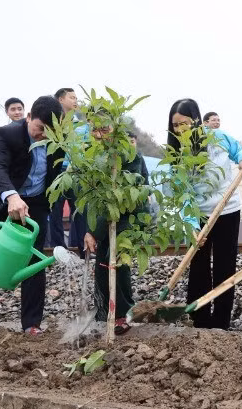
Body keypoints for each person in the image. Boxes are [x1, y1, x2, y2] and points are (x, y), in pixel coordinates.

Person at [0, 96, 65, 337]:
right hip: (4, 200)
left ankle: (31, 324)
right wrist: (12, 196)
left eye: (50, 132)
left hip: (36, 203)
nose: (43, 136)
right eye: (39, 129)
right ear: (28, 118)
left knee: (34, 262)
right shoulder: (7, 134)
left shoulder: (59, 141)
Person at [168, 99, 242, 330]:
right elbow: (182, 192)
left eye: (184, 124)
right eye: (175, 125)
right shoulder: (177, 152)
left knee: (225, 266)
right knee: (198, 267)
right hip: (198, 215)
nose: (179, 130)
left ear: (196, 120)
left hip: (227, 210)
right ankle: (199, 321)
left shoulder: (217, 138)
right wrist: (192, 225)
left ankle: (221, 323)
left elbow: (238, 150)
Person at [82, 124, 149, 335]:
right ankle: (104, 314)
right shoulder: (93, 155)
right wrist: (92, 229)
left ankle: (123, 314)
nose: (98, 135)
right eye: (94, 130)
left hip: (128, 218)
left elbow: (123, 199)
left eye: (104, 130)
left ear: (115, 128)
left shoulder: (129, 155)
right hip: (104, 219)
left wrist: (94, 232)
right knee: (103, 265)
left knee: (118, 263)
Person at [48, 87, 85, 250]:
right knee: (55, 210)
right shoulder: (51, 122)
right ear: (61, 99)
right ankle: (58, 248)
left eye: (76, 98)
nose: (75, 100)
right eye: (72, 97)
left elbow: (86, 148)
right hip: (57, 172)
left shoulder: (82, 125)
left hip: (76, 172)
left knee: (80, 211)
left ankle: (83, 247)